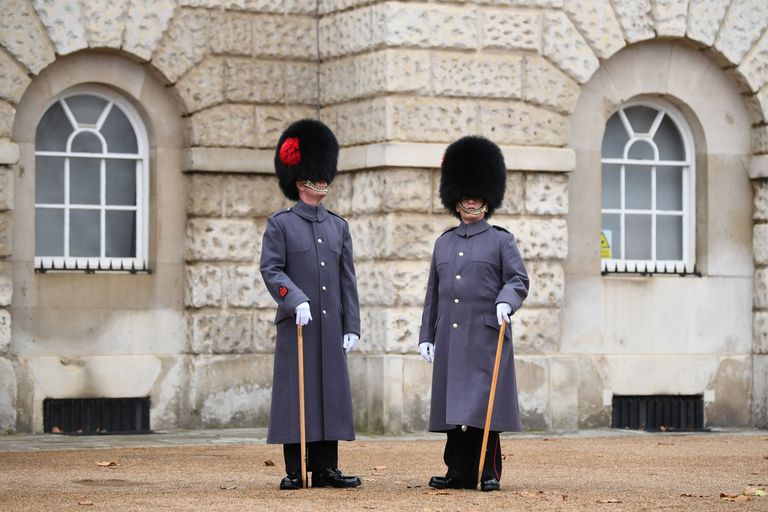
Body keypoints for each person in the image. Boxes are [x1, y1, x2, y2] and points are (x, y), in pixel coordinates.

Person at [418, 135, 530, 492]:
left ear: (487, 198)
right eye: (466, 195)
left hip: (485, 334)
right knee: (455, 409)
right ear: (456, 198)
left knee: (484, 406)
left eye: (477, 195)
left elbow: (518, 279)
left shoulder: (501, 240)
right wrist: (426, 336)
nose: (471, 200)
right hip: (451, 336)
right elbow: (433, 295)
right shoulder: (444, 242)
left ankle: (488, 471)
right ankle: (458, 471)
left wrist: (505, 301)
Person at [260, 119, 362, 490]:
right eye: (316, 175)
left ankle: (326, 469)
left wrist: (352, 325)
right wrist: (294, 300)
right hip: (298, 325)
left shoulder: (338, 227)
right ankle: (293, 469)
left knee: (329, 394)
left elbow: (347, 280)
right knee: (296, 396)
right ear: (301, 180)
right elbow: (271, 270)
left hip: (330, 326)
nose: (323, 181)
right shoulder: (281, 225)